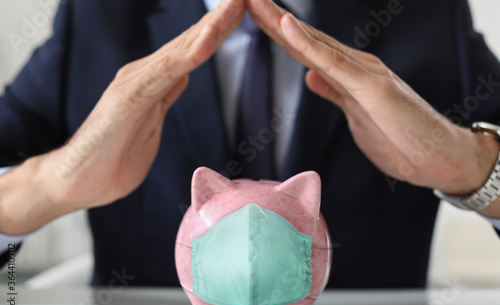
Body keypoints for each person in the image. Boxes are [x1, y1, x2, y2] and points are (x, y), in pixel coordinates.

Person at [1, 0, 500, 288]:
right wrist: (50, 186)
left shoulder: (426, 12)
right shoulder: (98, 14)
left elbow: (479, 159)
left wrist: (473, 168)